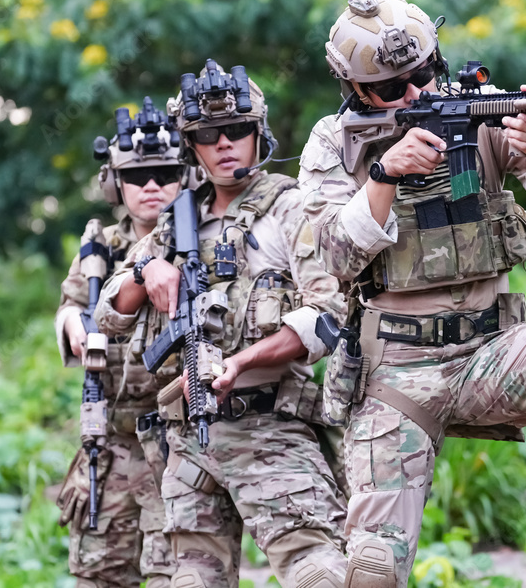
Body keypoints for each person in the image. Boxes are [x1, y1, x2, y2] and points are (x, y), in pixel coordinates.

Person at [297, 0, 526, 587]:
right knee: (372, 568)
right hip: (394, 374)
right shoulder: (333, 143)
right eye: (392, 88)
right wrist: (384, 174)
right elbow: (332, 255)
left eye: (424, 74)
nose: (415, 95)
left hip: (490, 354)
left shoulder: (473, 106)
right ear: (355, 90)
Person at [94, 61, 349, 588]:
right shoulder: (174, 222)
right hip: (187, 445)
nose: (224, 144)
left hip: (270, 431)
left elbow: (328, 317)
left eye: (237, 130)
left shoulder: (292, 208)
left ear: (259, 134)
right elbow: (108, 314)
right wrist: (148, 268)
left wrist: (240, 361)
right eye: (209, 135)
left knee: (320, 574)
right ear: (193, 146)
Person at [55, 97, 189, 588]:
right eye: (136, 177)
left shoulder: (200, 241)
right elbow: (70, 304)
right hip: (111, 437)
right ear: (114, 183)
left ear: (185, 175)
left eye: (164, 173)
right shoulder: (101, 245)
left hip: (177, 439)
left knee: (177, 571)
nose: (151, 186)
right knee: (99, 571)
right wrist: (76, 327)